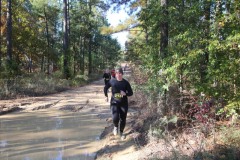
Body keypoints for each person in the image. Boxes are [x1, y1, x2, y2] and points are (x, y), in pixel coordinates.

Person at [104, 67, 133, 140]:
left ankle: (121, 132)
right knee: (115, 118)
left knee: (123, 119)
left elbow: (131, 93)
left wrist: (125, 93)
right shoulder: (112, 81)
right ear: (115, 74)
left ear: (122, 74)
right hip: (114, 103)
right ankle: (115, 127)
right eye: (117, 73)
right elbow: (105, 88)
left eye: (120, 73)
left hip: (123, 103)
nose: (118, 75)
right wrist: (106, 96)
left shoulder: (126, 83)